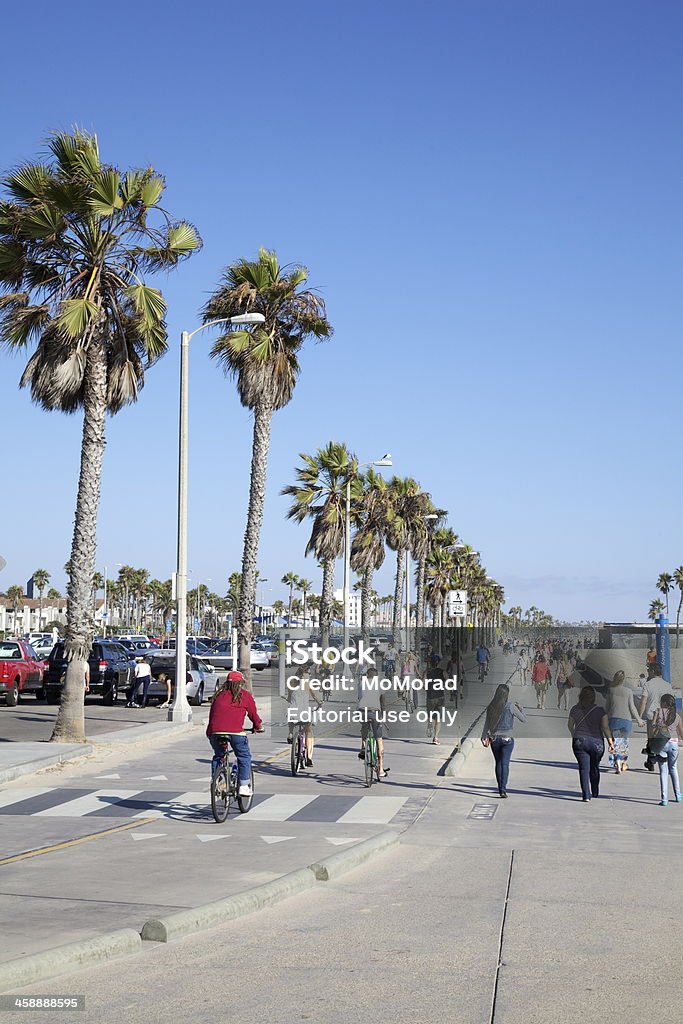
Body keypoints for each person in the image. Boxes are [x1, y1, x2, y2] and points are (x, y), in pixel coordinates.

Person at [206, 670, 264, 797]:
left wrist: (210, 732)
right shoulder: (245, 696)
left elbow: (212, 717)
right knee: (244, 756)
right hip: (235, 733)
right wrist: (257, 726)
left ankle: (217, 780)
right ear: (241, 683)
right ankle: (243, 785)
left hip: (215, 732)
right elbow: (253, 715)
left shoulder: (218, 696)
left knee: (219, 755)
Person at [568, 686, 614, 801]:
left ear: (580, 696)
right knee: (595, 767)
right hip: (597, 743)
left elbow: (569, 725)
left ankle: (586, 795)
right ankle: (595, 790)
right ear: (594, 698)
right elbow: (606, 728)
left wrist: (575, 734)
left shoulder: (574, 709)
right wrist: (611, 743)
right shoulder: (600, 711)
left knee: (584, 768)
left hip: (580, 741)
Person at [481, 683, 526, 798]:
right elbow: (523, 719)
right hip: (507, 739)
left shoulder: (491, 706)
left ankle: (499, 786)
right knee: (505, 763)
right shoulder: (510, 706)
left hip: (494, 739)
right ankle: (503, 789)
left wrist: (483, 736)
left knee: (498, 763)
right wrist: (521, 709)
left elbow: (487, 722)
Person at [606, 670, 644, 773]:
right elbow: (632, 707)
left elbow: (607, 707)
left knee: (615, 742)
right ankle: (623, 763)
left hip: (614, 720)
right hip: (627, 721)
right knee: (624, 743)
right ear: (623, 679)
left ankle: (617, 763)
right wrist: (639, 720)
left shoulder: (611, 690)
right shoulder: (628, 691)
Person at [357, 659, 389, 778]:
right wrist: (383, 714)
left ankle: (364, 746)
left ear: (367, 676)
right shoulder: (379, 684)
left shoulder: (361, 683)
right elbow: (383, 700)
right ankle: (380, 769)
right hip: (375, 712)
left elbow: (359, 697)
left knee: (364, 726)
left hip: (362, 711)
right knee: (379, 739)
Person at [639, 663, 674, 771]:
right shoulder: (667, 685)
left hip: (651, 716)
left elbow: (643, 702)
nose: (648, 672)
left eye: (649, 670)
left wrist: (639, 716)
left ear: (653, 671)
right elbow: (671, 702)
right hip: (664, 716)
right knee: (662, 737)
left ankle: (651, 761)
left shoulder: (648, 684)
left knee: (651, 738)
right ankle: (662, 759)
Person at [649, 693, 683, 805]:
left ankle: (664, 799)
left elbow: (652, 727)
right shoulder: (677, 716)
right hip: (673, 745)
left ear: (663, 703)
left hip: (661, 744)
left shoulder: (658, 712)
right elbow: (682, 734)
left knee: (663, 771)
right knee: (673, 768)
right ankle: (678, 795)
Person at [286, 664, 322, 766]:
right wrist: (320, 703)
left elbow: (289, 698)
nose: (310, 675)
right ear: (303, 674)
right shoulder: (308, 684)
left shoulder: (292, 683)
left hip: (293, 713)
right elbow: (316, 696)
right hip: (304, 714)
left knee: (291, 712)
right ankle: (309, 758)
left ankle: (290, 733)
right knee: (309, 731)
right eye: (309, 673)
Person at [425, 656, 447, 744]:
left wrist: (427, 689)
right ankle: (436, 737)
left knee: (430, 715)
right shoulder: (443, 672)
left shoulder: (427, 672)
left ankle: (430, 721)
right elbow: (449, 682)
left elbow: (423, 684)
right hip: (440, 697)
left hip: (430, 697)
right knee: (438, 718)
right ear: (438, 663)